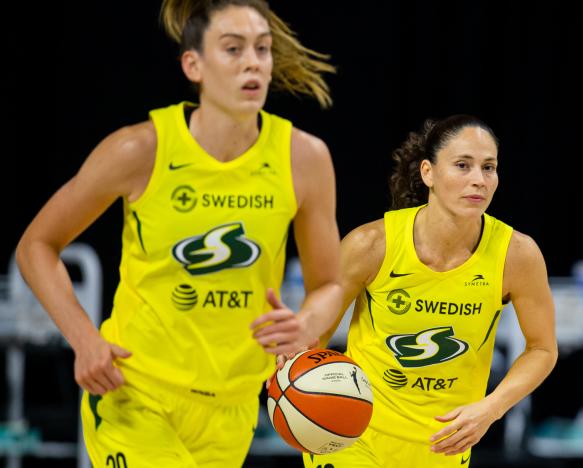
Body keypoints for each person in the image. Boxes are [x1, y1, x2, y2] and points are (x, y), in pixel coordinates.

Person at [15, 1, 342, 466]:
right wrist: (84, 338)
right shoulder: (140, 149)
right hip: (135, 393)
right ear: (194, 65)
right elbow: (36, 245)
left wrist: (306, 326)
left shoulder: (304, 159)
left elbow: (328, 284)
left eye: (263, 50)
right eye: (233, 49)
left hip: (232, 407)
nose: (253, 62)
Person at [305, 115, 558, 467]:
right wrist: (302, 397)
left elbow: (543, 349)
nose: (478, 180)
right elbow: (312, 338)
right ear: (428, 173)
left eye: (489, 167)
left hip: (444, 447)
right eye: (462, 165)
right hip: (355, 435)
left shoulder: (517, 255)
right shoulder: (371, 245)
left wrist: (491, 408)